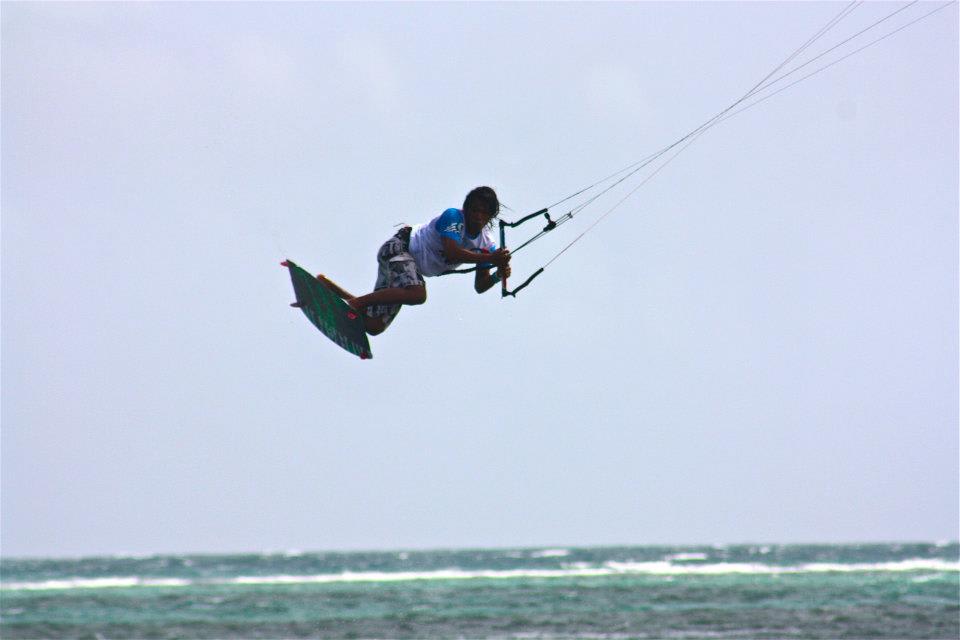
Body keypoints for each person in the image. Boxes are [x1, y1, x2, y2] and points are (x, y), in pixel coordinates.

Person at [317, 186, 512, 336]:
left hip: (409, 271)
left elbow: (480, 285)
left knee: (373, 326)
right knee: (417, 294)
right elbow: (452, 252)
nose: (478, 216)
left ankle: (331, 289)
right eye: (474, 210)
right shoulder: (454, 217)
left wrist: (497, 275)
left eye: (484, 213)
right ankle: (356, 303)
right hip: (399, 248)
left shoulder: (486, 244)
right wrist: (491, 258)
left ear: (490, 216)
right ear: (466, 209)